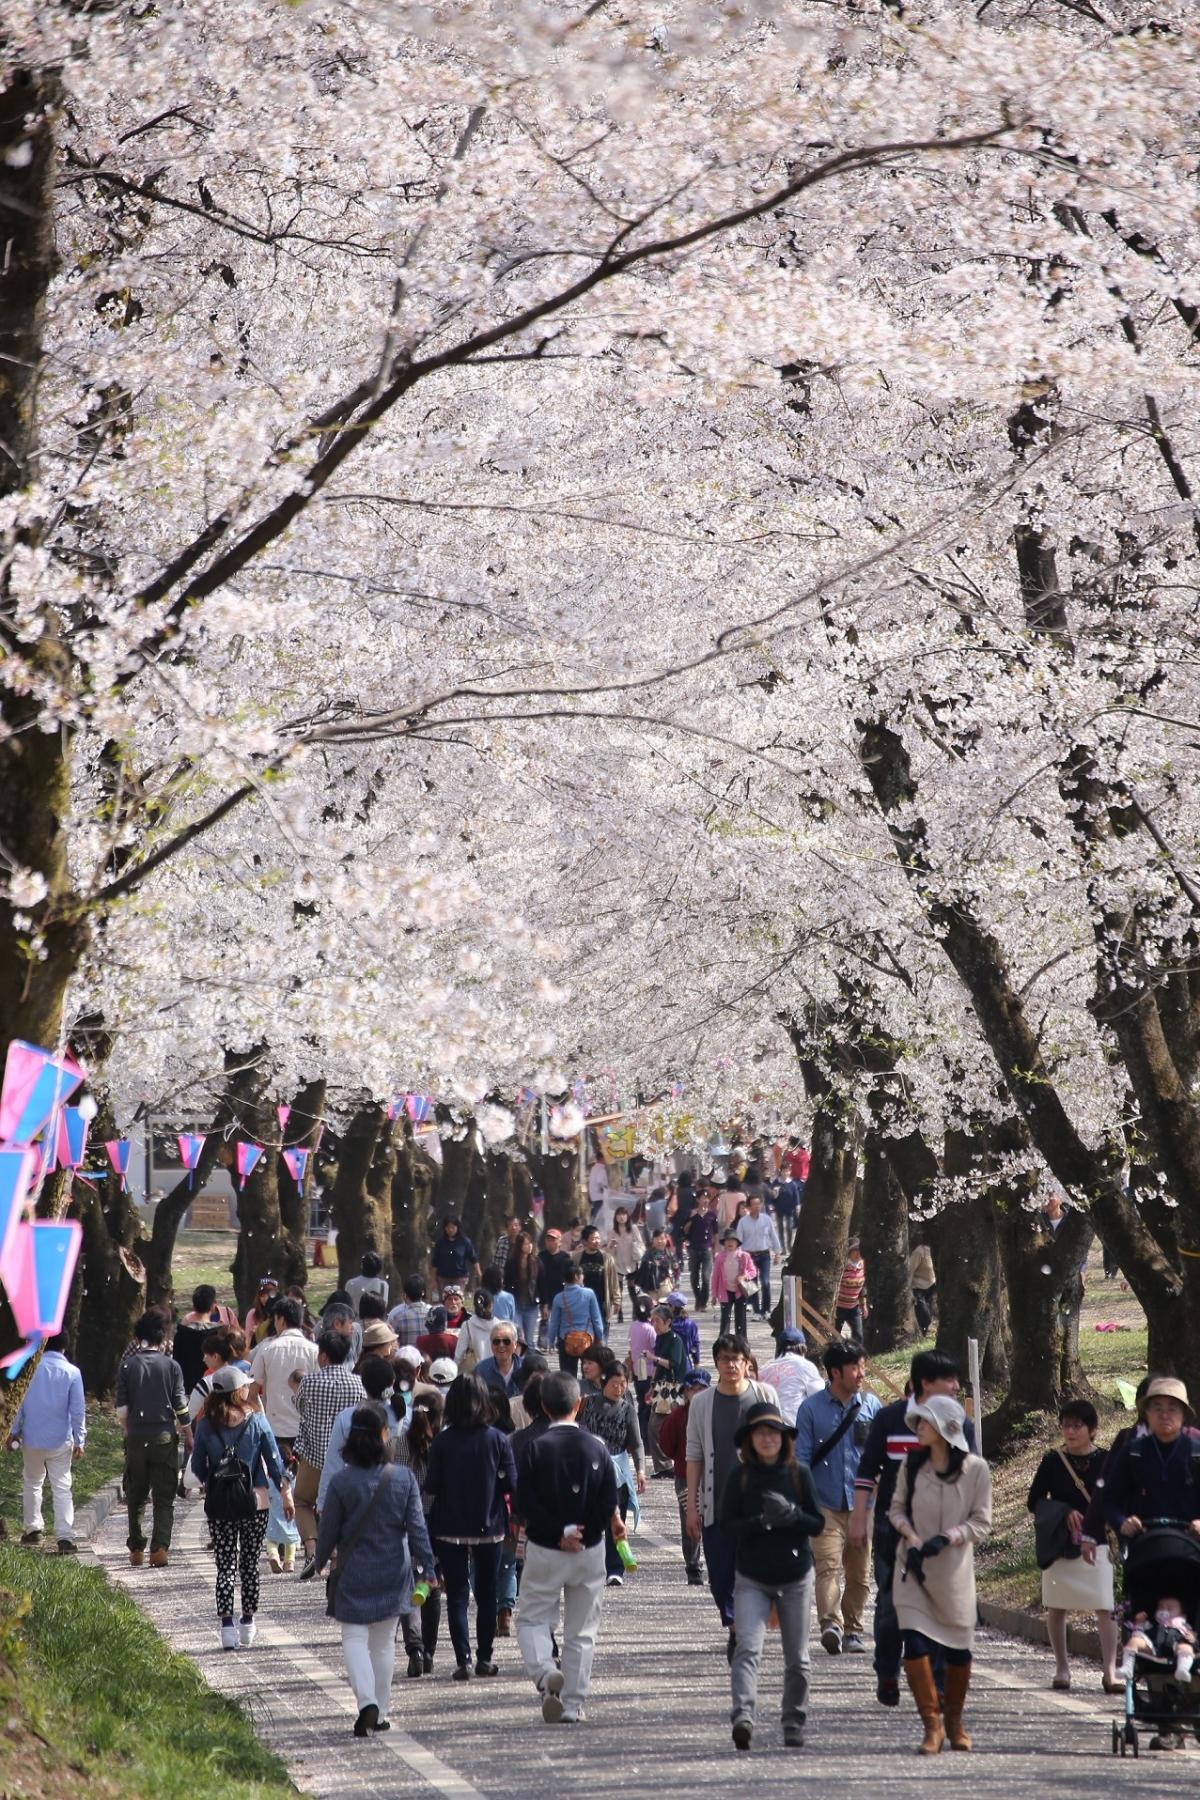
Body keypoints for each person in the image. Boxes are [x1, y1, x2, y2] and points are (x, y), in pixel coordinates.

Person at [850, 1347, 976, 1705]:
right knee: (892, 1604)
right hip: (894, 1531)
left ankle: (934, 1681)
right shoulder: (890, 1420)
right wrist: (859, 1517)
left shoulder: (959, 1426)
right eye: (948, 1380)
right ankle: (887, 1670)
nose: (955, 1386)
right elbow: (867, 1472)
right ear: (924, 1384)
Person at [316, 1402, 434, 1735]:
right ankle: (380, 1712)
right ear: (384, 1437)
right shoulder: (403, 1478)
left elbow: (329, 1531)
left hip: (354, 1571)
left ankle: (366, 1701)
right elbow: (417, 1529)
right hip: (395, 1571)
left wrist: (321, 1558)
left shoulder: (341, 1482)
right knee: (384, 1644)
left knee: (354, 1637)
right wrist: (427, 1568)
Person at [515, 1372, 621, 1724]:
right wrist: (584, 1532)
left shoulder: (535, 1448)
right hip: (589, 1550)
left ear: (543, 1406)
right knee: (582, 1630)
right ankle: (574, 1704)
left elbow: (525, 1503)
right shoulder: (597, 1447)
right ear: (580, 1404)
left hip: (546, 1548)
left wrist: (559, 1532)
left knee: (532, 1617)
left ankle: (546, 1672)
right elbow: (607, 1501)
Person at [890, 1394, 992, 1754]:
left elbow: (981, 1522)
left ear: (947, 1429)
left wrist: (948, 1537)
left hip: (954, 1574)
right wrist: (914, 1538)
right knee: (915, 1644)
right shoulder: (911, 1466)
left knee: (958, 1653)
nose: (918, 1427)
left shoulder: (976, 1469)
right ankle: (931, 1724)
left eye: (926, 1421)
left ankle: (955, 1721)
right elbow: (896, 1510)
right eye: (917, 1421)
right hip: (913, 1570)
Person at [720, 1400, 825, 1752]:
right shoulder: (741, 1476)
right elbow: (726, 1526)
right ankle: (743, 1717)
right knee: (748, 1648)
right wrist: (761, 1522)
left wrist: (793, 1515)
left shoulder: (799, 1474)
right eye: (760, 1433)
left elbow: (817, 1523)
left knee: (797, 1658)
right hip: (752, 1576)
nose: (768, 1439)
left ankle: (794, 1719)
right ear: (750, 1439)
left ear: (784, 1438)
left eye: (774, 1432)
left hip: (795, 1575)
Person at [685, 1334, 780, 1659]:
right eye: (724, 1359)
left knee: (752, 1573)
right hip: (716, 1506)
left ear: (747, 1362)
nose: (730, 1365)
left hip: (757, 1509)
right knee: (720, 1575)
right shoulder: (701, 1403)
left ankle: (743, 1631)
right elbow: (694, 1454)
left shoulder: (764, 1395)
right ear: (716, 1363)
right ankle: (736, 1626)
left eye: (736, 1359)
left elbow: (780, 1450)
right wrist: (692, 1507)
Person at [190, 1364, 293, 1648]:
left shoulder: (206, 1425)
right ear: (239, 1391)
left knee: (225, 1566)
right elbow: (275, 1464)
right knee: (249, 1564)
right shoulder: (257, 1421)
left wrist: (215, 1482)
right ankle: (248, 1621)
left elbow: (198, 1466)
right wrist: (286, 1493)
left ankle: (226, 1628)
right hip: (255, 1503)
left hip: (220, 1505)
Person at [424, 1373, 517, 1679]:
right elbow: (512, 1482)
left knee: (458, 1594)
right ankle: (484, 1657)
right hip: (489, 1525)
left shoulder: (442, 1440)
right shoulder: (497, 1439)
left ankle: (462, 1659)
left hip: (449, 1525)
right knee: (487, 1591)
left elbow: (433, 1484)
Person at [794, 1338, 881, 1657]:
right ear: (834, 1372)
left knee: (860, 1573)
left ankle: (854, 1630)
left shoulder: (872, 1407)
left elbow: (881, 1457)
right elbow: (801, 1458)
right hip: (823, 1503)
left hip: (863, 1506)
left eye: (862, 1365)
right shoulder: (811, 1409)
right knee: (828, 1567)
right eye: (854, 1367)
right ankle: (831, 1624)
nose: (861, 1373)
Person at [1025, 1398, 1120, 1691]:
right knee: (1056, 1606)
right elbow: (1035, 1501)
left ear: (1092, 1429)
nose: (1070, 1431)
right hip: (1060, 1542)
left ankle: (1110, 1671)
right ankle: (1062, 1668)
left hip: (1098, 1541)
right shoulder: (1052, 1460)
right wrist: (1063, 1512)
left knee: (1105, 1606)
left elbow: (1117, 1498)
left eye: (1077, 1425)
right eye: (1066, 1425)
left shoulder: (1107, 1460)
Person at [115, 1310, 192, 1568]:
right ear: (163, 1337)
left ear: (139, 1338)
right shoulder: (172, 1367)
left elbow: (121, 1410)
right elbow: (181, 1405)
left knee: (135, 1495)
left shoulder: (127, 1367)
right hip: (164, 1438)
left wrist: (129, 1431)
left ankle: (136, 1547)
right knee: (164, 1497)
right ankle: (159, 1547)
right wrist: (188, 1432)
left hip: (136, 1437)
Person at [292, 1329, 366, 1580]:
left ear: (323, 1357)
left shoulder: (309, 1382)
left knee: (302, 1502)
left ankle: (312, 1549)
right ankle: (337, 1553)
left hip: (313, 1455)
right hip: (346, 1459)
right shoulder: (358, 1383)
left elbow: (299, 1405)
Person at [8, 1331, 85, 1554]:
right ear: (65, 1348)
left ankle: (32, 1530)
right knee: (62, 1485)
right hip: (61, 1440)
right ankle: (64, 1536)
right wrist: (80, 1439)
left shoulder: (30, 1370)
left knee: (32, 1481)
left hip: (31, 1437)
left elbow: (19, 1403)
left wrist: (14, 1432)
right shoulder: (73, 1373)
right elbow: (77, 1411)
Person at [1102, 1377, 1200, 1535]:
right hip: (1144, 1546)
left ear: (1184, 1414)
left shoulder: (1196, 1452)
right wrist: (1122, 1522)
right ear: (1146, 1413)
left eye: (1172, 1408)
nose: (1164, 1415)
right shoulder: (1134, 1452)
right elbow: (1109, 1499)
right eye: (1157, 1408)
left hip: (1191, 1548)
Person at [394, 1386, 445, 1674]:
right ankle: (429, 1651)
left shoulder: (401, 1443)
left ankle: (414, 1646)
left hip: (406, 1519)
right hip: (436, 1520)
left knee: (409, 1583)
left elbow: (398, 1480)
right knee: (430, 1584)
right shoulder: (442, 1441)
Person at [580, 1363, 645, 1584]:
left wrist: (641, 1471)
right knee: (590, 1519)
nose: (619, 1389)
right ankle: (591, 1565)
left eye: (623, 1385)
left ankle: (614, 1569)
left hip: (618, 1470)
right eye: (614, 1384)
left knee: (616, 1519)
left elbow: (637, 1444)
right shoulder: (587, 1404)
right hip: (589, 1467)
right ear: (604, 1383)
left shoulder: (627, 1409)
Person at [248, 1296, 319, 1456]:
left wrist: (261, 1415)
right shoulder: (314, 1351)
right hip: (306, 1430)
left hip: (274, 1427)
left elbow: (251, 1392)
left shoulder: (267, 1349)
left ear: (281, 1320)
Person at [658, 1368, 710, 1585]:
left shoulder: (714, 1412)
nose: (696, 1393)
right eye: (692, 1389)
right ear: (684, 1392)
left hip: (712, 1475)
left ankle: (716, 1562)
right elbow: (666, 1445)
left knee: (712, 1521)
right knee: (690, 1521)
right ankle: (693, 1565)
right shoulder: (678, 1416)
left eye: (701, 1389)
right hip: (684, 1475)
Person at [647, 1304, 689, 1476]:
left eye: (657, 1321)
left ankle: (667, 1465)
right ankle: (664, 1466)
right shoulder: (661, 1339)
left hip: (672, 1388)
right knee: (654, 1427)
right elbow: (659, 1365)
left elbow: (673, 1363)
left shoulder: (674, 1339)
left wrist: (653, 1358)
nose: (654, 1324)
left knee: (657, 1426)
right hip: (661, 1387)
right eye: (653, 1321)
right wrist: (651, 1386)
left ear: (668, 1322)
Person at [172, 1286, 237, 1394]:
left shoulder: (181, 1334)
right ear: (213, 1306)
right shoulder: (220, 1334)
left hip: (189, 1390)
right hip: (216, 1389)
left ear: (193, 1307)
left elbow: (177, 1363)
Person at [546, 1265, 605, 1374]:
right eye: (582, 1275)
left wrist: (550, 1341)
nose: (583, 1277)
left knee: (568, 1375)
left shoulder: (559, 1298)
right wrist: (600, 1338)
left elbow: (554, 1322)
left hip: (566, 1340)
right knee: (589, 1374)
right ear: (576, 1277)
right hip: (587, 1339)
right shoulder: (589, 1294)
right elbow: (596, 1318)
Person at [758, 1327, 824, 1424]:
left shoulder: (765, 1368)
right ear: (803, 1348)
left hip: (767, 1425)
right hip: (794, 1426)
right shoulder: (805, 1366)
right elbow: (819, 1396)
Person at [735, 1194, 781, 1318]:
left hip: (764, 1254)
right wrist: (738, 1256)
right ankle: (756, 1311)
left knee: (765, 1282)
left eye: (758, 1204)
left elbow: (773, 1236)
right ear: (748, 1207)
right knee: (752, 1284)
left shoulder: (766, 1220)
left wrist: (777, 1253)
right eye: (753, 1204)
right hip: (749, 1256)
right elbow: (738, 1240)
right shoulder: (743, 1222)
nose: (756, 1207)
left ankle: (766, 1309)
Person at [575, 1225, 619, 1338]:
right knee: (585, 1340)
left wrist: (617, 1300)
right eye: (593, 1238)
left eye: (598, 1238)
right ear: (585, 1241)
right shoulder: (577, 1259)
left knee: (602, 1340)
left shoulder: (607, 1259)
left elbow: (613, 1280)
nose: (597, 1241)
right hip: (583, 1306)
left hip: (602, 1304)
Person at [713, 1229, 756, 1339]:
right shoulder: (720, 1257)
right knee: (725, 1319)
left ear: (737, 1243)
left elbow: (753, 1271)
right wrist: (714, 1295)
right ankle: (723, 1343)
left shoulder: (744, 1256)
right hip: (725, 1291)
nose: (730, 1243)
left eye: (733, 1240)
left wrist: (744, 1276)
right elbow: (715, 1277)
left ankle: (742, 1343)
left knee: (740, 1319)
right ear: (724, 1243)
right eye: (727, 1240)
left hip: (740, 1291)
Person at [607, 1207, 645, 1323]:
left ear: (627, 1216)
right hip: (618, 1263)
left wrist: (635, 1245)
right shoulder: (613, 1230)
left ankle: (635, 1312)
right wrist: (611, 1245)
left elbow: (641, 1244)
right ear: (615, 1217)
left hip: (631, 1263)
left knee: (632, 1289)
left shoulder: (633, 1229)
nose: (621, 1217)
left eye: (623, 1214)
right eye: (618, 1215)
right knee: (619, 1289)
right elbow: (608, 1251)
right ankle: (620, 1313)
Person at [506, 1230, 541, 1349]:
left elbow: (542, 1284)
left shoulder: (537, 1262)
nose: (529, 1246)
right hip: (516, 1304)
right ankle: (518, 1364)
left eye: (530, 1243)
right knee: (519, 1338)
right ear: (520, 1246)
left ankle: (530, 1366)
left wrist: (544, 1303)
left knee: (530, 1341)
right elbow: (507, 1284)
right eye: (526, 1244)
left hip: (531, 1305)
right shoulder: (511, 1263)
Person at [683, 1196, 718, 1311]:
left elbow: (716, 1234)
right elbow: (685, 1230)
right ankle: (698, 1299)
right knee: (694, 1277)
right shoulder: (691, 1214)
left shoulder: (712, 1215)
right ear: (698, 1200)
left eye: (707, 1199)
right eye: (703, 1198)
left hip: (706, 1250)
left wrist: (715, 1250)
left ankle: (703, 1302)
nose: (706, 1201)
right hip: (693, 1249)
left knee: (706, 1277)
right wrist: (692, 1218)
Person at [476, 1323, 524, 1398]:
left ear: (515, 1344)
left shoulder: (525, 1368)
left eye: (506, 1341)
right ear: (491, 1345)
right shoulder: (481, 1370)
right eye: (496, 1341)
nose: (501, 1345)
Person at [454, 1288, 496, 1374]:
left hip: (474, 1375)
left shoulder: (467, 1325)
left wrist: (453, 1371)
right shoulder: (501, 1326)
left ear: (474, 1305)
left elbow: (459, 1354)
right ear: (491, 1305)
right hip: (495, 1372)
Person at [431, 1216, 480, 1289]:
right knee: (445, 1299)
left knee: (457, 1298)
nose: (450, 1230)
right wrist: (433, 1279)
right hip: (443, 1278)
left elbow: (473, 1259)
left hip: (460, 1278)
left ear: (457, 1227)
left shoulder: (465, 1242)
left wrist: (479, 1274)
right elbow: (435, 1262)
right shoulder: (440, 1242)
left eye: (453, 1227)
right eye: (448, 1227)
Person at [835, 1239, 868, 1339]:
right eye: (855, 1251)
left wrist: (864, 1305)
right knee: (836, 1335)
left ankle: (858, 1354)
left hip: (854, 1307)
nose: (858, 1253)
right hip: (839, 1307)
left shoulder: (862, 1265)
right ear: (850, 1252)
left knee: (858, 1335)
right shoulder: (843, 1266)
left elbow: (863, 1288)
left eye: (859, 1250)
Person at [388, 1274, 429, 1346]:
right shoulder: (432, 1312)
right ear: (423, 1292)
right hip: (428, 1356)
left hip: (406, 1356)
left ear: (405, 1294)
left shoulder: (396, 1315)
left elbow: (391, 1343)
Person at [345, 1251, 389, 1317]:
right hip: (377, 1324)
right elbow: (384, 1306)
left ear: (362, 1266)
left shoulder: (351, 1283)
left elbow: (347, 1307)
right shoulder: (383, 1285)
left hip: (356, 1324)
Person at [634, 1228, 674, 1302]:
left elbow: (676, 1268)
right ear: (653, 1240)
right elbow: (643, 1268)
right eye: (657, 1238)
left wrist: (676, 1283)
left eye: (662, 1238)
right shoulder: (648, 1253)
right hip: (651, 1286)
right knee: (653, 1309)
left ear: (666, 1239)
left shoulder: (669, 1253)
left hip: (664, 1284)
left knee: (665, 1307)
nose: (659, 1241)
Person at [666, 1291, 700, 1369]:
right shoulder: (691, 1324)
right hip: (685, 1364)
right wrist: (696, 1364)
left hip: (668, 1364)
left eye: (668, 1305)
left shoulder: (667, 1324)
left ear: (673, 1307)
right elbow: (695, 1345)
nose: (667, 1307)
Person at [909, 1239, 936, 1335]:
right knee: (923, 1311)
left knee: (930, 1309)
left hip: (931, 1285)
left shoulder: (935, 1250)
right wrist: (907, 1287)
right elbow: (910, 1270)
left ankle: (926, 1332)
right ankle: (926, 1330)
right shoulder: (919, 1251)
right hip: (918, 1286)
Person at [244, 1275, 280, 1345]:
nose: (266, 1299)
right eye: (263, 1295)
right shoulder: (253, 1314)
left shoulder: (281, 1312)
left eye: (269, 1295)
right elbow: (247, 1341)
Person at [773, 1172, 802, 1254]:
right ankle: (782, 1247)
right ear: (781, 1171)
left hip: (789, 1208)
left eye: (787, 1171)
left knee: (789, 1227)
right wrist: (775, 1193)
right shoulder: (776, 1182)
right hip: (779, 1207)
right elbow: (772, 1195)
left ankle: (789, 1245)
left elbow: (796, 1196)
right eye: (784, 1171)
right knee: (780, 1228)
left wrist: (797, 1207)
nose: (786, 1173)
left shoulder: (792, 1183)